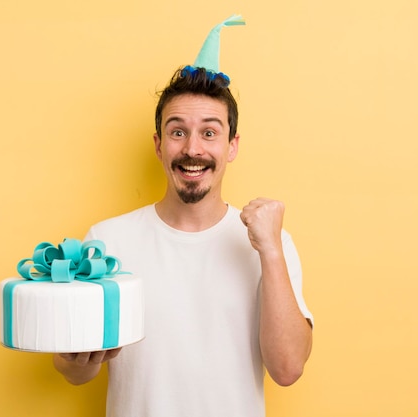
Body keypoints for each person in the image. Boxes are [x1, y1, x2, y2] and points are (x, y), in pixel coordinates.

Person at [53, 16, 313, 417]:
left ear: (231, 146)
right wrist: (73, 361)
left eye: (210, 132)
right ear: (159, 145)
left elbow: (288, 369)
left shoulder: (271, 244)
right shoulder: (108, 241)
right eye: (178, 132)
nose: (193, 149)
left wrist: (271, 251)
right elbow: (75, 374)